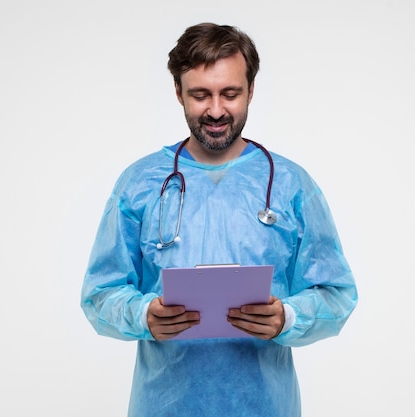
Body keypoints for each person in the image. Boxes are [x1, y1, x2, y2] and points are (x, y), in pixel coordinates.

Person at [81, 22, 358, 417]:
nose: (215, 110)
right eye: (199, 95)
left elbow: (337, 293)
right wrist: (144, 316)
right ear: (178, 92)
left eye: (230, 94)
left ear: (251, 90)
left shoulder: (292, 186)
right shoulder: (140, 185)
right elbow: (99, 295)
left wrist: (287, 317)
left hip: (264, 406)